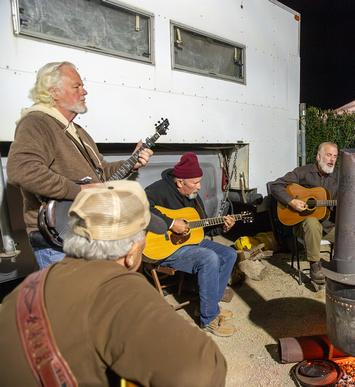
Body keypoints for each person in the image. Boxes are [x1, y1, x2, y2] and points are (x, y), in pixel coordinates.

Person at [0, 180, 227, 386]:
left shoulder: (28, 287)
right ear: (132, 252)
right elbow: (206, 371)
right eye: (145, 234)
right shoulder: (122, 290)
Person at [6, 61, 153, 269]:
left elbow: (102, 173)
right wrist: (79, 190)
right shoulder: (36, 122)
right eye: (77, 86)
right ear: (54, 92)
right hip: (58, 238)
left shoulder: (78, 131)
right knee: (67, 300)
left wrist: (133, 162)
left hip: (85, 232)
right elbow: (21, 170)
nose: (84, 91)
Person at [145, 152, 238, 337]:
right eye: (195, 182)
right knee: (209, 258)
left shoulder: (193, 197)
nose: (199, 186)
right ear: (180, 182)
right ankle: (208, 318)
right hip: (164, 248)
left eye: (199, 181)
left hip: (191, 242)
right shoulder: (158, 190)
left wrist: (222, 228)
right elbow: (137, 208)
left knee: (229, 254)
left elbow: (202, 229)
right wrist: (171, 224)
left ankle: (210, 305)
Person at [269, 141, 339, 284]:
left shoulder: (339, 178)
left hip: (328, 226)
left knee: (350, 232)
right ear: (319, 156)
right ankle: (315, 266)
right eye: (328, 155)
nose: (332, 159)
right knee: (312, 221)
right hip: (303, 226)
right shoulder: (303, 172)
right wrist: (291, 201)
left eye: (335, 156)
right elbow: (276, 186)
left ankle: (342, 267)